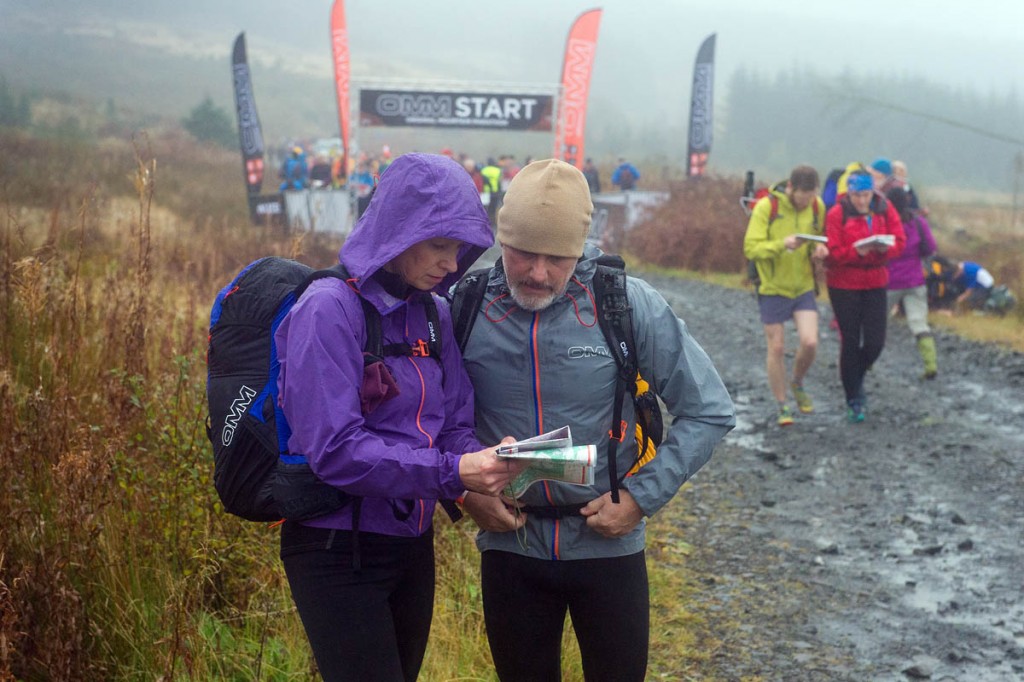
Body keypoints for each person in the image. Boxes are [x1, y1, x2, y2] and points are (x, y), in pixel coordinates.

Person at [458, 158, 735, 681]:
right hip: (510, 547)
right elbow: (428, 421)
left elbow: (710, 410)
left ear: (580, 248)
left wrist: (640, 499)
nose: (538, 274)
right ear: (500, 240)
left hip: (608, 547)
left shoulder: (623, 304)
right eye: (522, 254)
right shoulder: (465, 307)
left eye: (556, 257)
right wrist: (466, 493)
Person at [274, 153, 526, 682]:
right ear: (398, 233)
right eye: (439, 245)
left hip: (411, 545)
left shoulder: (433, 314)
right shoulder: (326, 310)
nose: (452, 264)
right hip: (335, 547)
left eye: (458, 248)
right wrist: (453, 474)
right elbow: (336, 450)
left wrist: (485, 464)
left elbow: (453, 422)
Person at [743, 165, 829, 426]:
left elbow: (817, 238)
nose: (807, 202)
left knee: (810, 342)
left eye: (811, 196)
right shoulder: (767, 207)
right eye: (803, 197)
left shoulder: (817, 206)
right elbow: (751, 248)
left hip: (802, 286)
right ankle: (782, 406)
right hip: (772, 287)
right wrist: (783, 245)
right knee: (777, 347)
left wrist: (819, 251)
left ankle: (797, 381)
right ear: (791, 188)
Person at [824, 170, 906, 423]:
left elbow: (900, 241)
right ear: (849, 193)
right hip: (844, 283)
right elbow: (833, 252)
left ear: (873, 192)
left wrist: (882, 249)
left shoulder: (884, 207)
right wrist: (856, 252)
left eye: (866, 194)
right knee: (849, 341)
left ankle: (855, 376)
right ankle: (854, 399)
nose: (862, 201)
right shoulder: (837, 213)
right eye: (857, 195)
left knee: (875, 342)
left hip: (875, 281)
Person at [885, 186, 939, 379]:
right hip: (916, 281)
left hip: (890, 282)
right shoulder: (919, 223)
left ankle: (866, 364)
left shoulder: (885, 223)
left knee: (877, 324)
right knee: (919, 323)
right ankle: (930, 364)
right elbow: (931, 248)